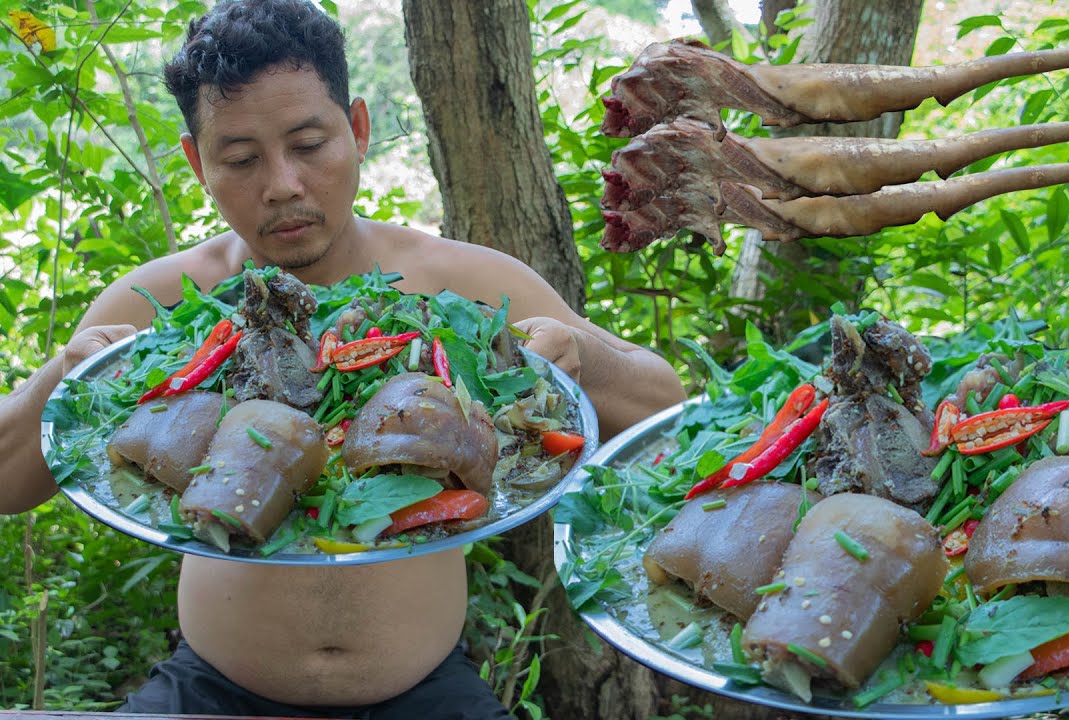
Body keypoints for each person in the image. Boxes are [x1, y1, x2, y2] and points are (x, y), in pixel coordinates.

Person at [0, 0, 686, 717]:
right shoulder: (163, 303)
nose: (283, 185)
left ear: (356, 129)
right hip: (212, 687)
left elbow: (665, 407)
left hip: (425, 690)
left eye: (308, 144)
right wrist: (61, 379)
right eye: (240, 158)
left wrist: (590, 360)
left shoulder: (466, 286)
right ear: (197, 162)